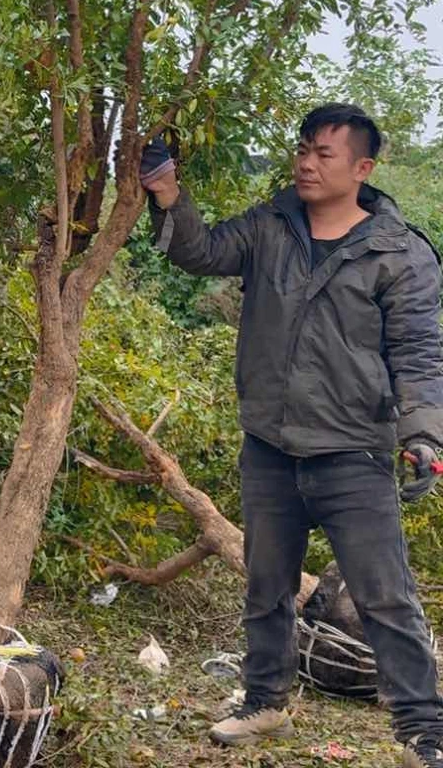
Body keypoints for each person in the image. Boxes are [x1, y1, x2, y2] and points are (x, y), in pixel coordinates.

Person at [140, 103, 443, 768]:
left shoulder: (399, 252)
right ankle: (264, 698)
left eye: (323, 153)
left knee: (385, 593)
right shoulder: (271, 226)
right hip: (271, 447)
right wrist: (166, 193)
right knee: (266, 585)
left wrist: (425, 438)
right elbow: (201, 252)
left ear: (362, 168)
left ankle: (426, 730)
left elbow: (420, 354)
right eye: (303, 149)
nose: (305, 162)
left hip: (354, 452)